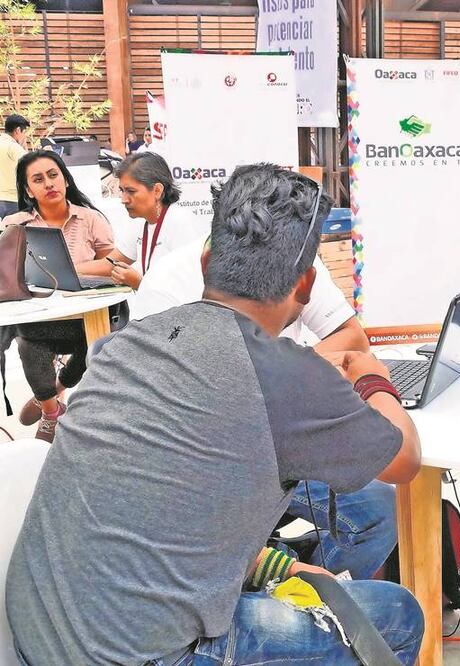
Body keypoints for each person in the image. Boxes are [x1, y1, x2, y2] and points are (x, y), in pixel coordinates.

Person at [6, 163, 425, 665]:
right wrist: (372, 376)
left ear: (206, 261)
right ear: (307, 284)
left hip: (42, 634)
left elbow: (162, 510)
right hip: (142, 655)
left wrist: (278, 569)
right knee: (396, 614)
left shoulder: (122, 345)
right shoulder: (286, 373)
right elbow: (403, 459)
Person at [128, 235, 395, 582]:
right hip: (211, 460)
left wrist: (288, 371)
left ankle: (301, 589)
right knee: (398, 606)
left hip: (276, 435)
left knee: (383, 511)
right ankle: (295, 592)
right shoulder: (167, 286)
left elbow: (351, 335)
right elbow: (401, 458)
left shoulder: (291, 253)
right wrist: (370, 383)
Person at [1, 150, 115, 442]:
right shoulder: (17, 225)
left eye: (53, 175)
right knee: (27, 339)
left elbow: (113, 262)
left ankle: (50, 395)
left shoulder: (91, 219)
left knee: (98, 343)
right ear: (28, 189)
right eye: (38, 179)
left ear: (65, 178)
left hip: (86, 317)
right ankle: (52, 413)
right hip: (40, 317)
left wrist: (68, 269)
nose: (49, 183)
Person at [82, 152, 209, 289]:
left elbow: (189, 287)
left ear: (157, 190)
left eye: (131, 191)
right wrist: (63, 273)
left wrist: (140, 284)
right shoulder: (140, 221)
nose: (124, 199)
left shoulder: (182, 223)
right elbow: (109, 264)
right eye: (122, 191)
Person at [0, 114, 30, 218]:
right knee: (17, 233)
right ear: (17, 130)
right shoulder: (12, 147)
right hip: (13, 201)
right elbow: (31, 164)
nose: (24, 136)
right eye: (24, 132)